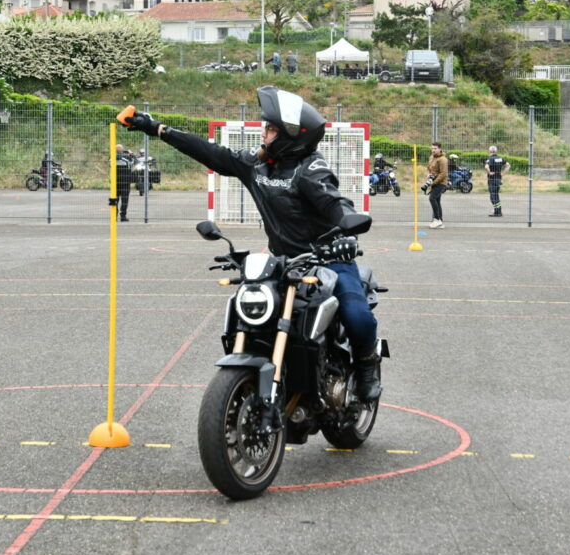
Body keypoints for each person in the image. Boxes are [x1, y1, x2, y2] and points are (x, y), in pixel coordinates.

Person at [122, 86, 381, 400]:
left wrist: (347, 233)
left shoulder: (312, 170)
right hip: (284, 262)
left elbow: (336, 203)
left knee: (357, 316)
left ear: (290, 136)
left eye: (271, 129)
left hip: (329, 258)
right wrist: (154, 127)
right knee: (251, 307)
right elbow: (209, 152)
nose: (264, 133)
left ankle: (367, 369)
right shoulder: (257, 165)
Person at [426, 141, 448, 229]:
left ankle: (437, 219)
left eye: (435, 148)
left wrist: (434, 182)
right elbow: (429, 168)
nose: (433, 150)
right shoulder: (431, 157)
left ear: (440, 149)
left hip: (441, 183)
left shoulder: (443, 159)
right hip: (433, 181)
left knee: (432, 198)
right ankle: (440, 221)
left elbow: (443, 174)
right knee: (437, 200)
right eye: (432, 148)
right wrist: (428, 174)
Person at [484, 145, 510, 217]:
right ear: (496, 151)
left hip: (492, 179)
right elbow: (508, 165)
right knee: (496, 195)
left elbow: (486, 167)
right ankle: (498, 211)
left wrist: (489, 172)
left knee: (493, 196)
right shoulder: (500, 158)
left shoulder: (490, 159)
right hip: (498, 179)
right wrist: (503, 173)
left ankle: (497, 212)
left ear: (490, 151)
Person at [114, 144, 135, 221]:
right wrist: (131, 154)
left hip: (115, 181)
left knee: (115, 199)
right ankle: (123, 216)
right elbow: (133, 162)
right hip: (125, 181)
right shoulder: (127, 158)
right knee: (125, 199)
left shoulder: (111, 157)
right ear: (122, 150)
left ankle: (114, 215)